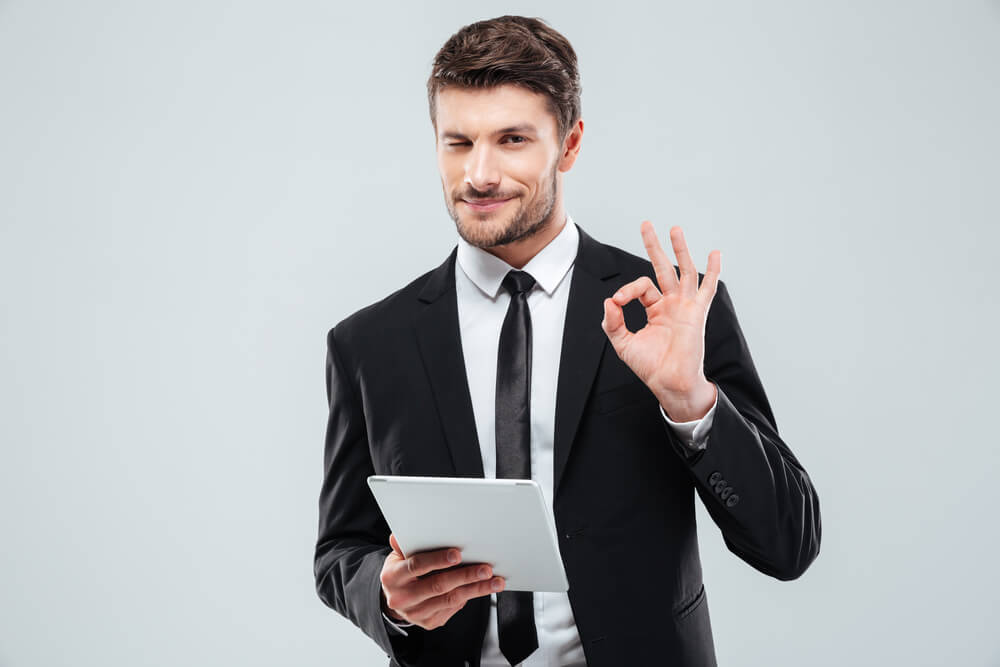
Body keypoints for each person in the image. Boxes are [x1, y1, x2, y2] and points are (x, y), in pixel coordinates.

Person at [314, 14, 821, 667]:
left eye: (513, 139)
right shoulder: (370, 343)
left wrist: (692, 402)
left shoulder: (670, 308)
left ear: (570, 144)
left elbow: (789, 544)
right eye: (458, 143)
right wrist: (384, 595)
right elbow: (338, 551)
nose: (480, 174)